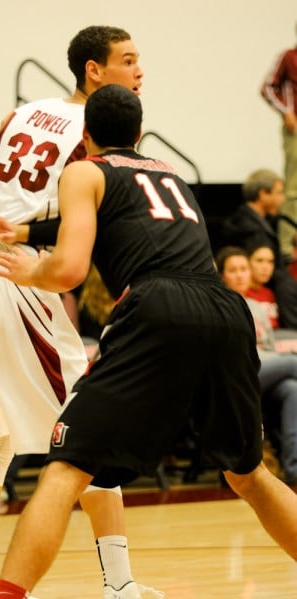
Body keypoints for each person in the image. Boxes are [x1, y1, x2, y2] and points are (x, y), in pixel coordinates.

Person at [0, 84, 297, 599]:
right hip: (223, 306)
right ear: (139, 133)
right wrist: (23, 230)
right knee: (249, 475)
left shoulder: (82, 170)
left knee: (64, 468)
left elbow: (68, 269)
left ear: (84, 136)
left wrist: (30, 267)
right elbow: (120, 217)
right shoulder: (169, 173)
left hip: (157, 307)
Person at [0, 26, 161, 599]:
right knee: (88, 431)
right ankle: (120, 586)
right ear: (94, 71)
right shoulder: (97, 140)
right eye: (129, 61)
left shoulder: (19, 114)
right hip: (17, 278)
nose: (140, 71)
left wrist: (5, 220)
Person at [216, 245, 297, 484]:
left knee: (293, 388)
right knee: (294, 363)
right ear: (222, 275)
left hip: (265, 371)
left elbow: (270, 346)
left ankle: (294, 470)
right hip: (236, 375)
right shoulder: (219, 305)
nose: (241, 274)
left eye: (244, 269)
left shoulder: (258, 308)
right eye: (233, 270)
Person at [221, 168, 297, 329]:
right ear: (263, 194)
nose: (282, 199)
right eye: (278, 193)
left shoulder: (246, 220)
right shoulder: (252, 228)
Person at [261, 25, 297, 258]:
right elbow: (267, 87)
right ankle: (286, 245)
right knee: (293, 188)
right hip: (296, 130)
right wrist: (286, 112)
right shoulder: (288, 57)